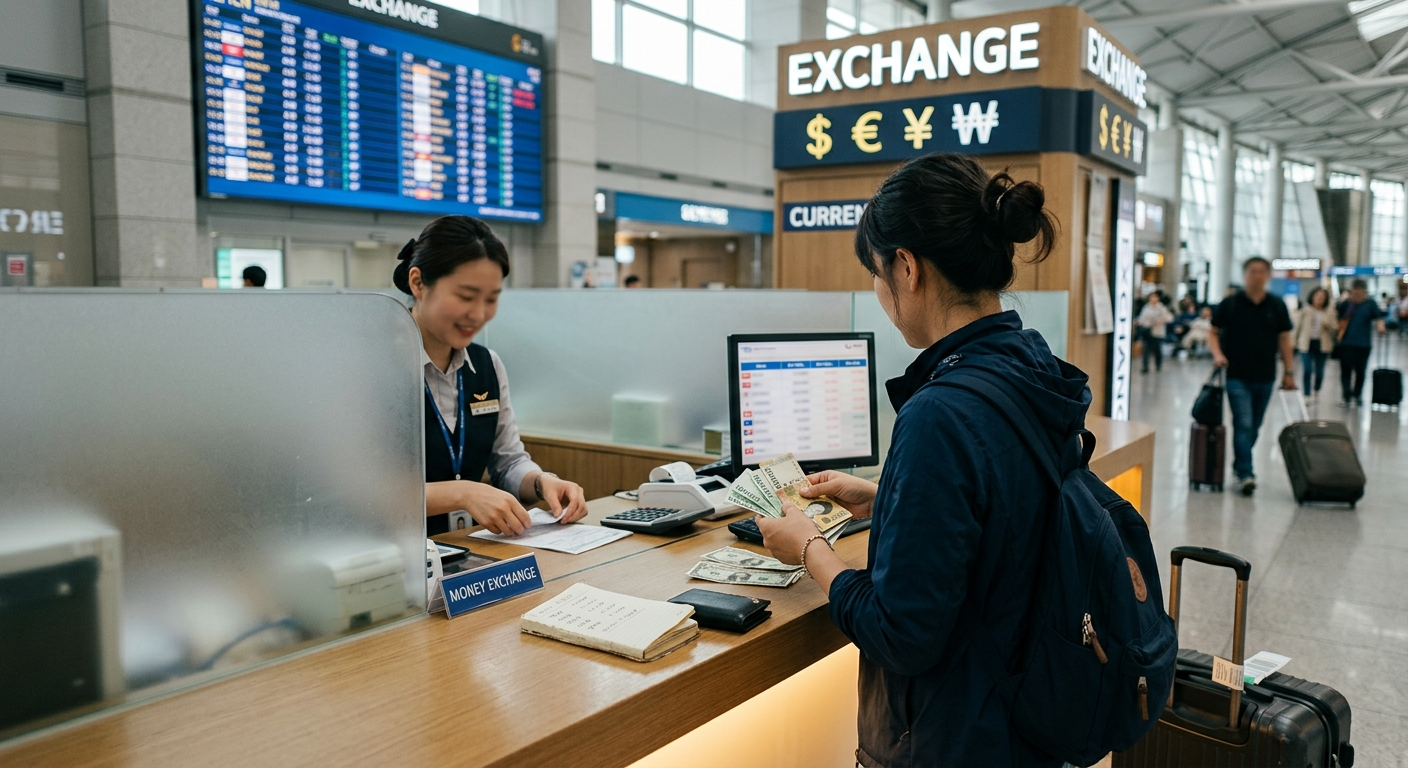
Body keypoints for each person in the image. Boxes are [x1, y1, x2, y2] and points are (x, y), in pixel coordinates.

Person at [755, 153, 1078, 767]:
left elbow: (901, 634)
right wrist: (890, 500)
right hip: (1026, 720)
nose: (879, 292)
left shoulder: (940, 410)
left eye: (876, 272)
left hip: (955, 737)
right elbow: (1012, 513)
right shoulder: (1030, 367)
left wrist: (807, 548)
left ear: (905, 266)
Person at [395, 215, 589, 536]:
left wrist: (544, 483)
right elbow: (361, 492)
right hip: (392, 559)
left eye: (491, 299)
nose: (479, 314)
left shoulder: (487, 365)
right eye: (466, 296)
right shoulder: (372, 368)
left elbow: (508, 463)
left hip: (468, 551)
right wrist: (462, 493)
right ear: (418, 283)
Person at [1209, 257, 1296, 496]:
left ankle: (1239, 465)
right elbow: (1213, 333)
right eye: (1252, 271)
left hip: (1266, 375)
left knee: (1254, 426)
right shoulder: (1230, 304)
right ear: (1245, 274)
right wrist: (1218, 354)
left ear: (1267, 275)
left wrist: (1289, 372)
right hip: (1237, 374)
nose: (1256, 276)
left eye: (1261, 271)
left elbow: (1285, 340)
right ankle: (1246, 472)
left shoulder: (1277, 305)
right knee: (1243, 423)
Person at [1335, 278, 1387, 407]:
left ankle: (1357, 395)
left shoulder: (1370, 304)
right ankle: (1346, 396)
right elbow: (1338, 318)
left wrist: (1381, 326)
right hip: (1346, 343)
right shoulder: (1347, 304)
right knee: (1346, 371)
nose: (1357, 296)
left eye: (1360, 293)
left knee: (1360, 371)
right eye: (1354, 293)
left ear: (1365, 292)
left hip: (1363, 345)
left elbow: (1378, 317)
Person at [1292, 287, 1337, 400]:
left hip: (1322, 344)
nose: (1319, 299)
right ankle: (1306, 394)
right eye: (1317, 296)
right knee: (1307, 369)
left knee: (1319, 370)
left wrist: (1328, 325)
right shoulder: (1305, 310)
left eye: (1322, 297)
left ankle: (1317, 389)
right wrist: (1293, 342)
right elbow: (1297, 327)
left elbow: (1335, 327)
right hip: (1306, 343)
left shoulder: (1330, 311)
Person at [1136, 292, 1174, 373]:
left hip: (1158, 332)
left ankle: (1158, 365)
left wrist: (1159, 321)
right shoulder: (1146, 307)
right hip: (1147, 331)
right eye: (1151, 297)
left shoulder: (1162, 308)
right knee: (1146, 350)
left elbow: (1169, 318)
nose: (1153, 299)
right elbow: (1142, 318)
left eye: (1155, 297)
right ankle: (1145, 367)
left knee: (1157, 349)